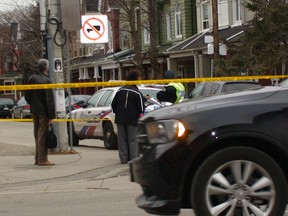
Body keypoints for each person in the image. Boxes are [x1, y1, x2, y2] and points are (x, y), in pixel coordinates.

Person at [111, 70, 147, 164]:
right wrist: (140, 115)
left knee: (122, 139)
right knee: (133, 140)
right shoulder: (137, 93)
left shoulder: (120, 91)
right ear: (135, 78)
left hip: (120, 119)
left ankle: (123, 159)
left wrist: (118, 113)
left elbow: (113, 105)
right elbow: (141, 108)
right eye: (138, 77)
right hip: (132, 120)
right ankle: (133, 159)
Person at [25, 59, 56, 166]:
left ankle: (38, 158)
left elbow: (27, 96)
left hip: (34, 110)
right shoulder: (46, 80)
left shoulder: (31, 78)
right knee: (42, 134)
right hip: (43, 111)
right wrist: (51, 115)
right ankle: (42, 159)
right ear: (46, 67)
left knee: (37, 134)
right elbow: (49, 100)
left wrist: (33, 104)